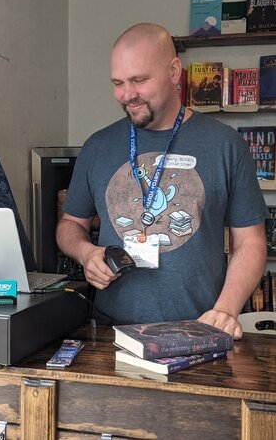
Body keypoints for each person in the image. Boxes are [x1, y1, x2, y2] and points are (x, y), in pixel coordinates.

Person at [56, 23, 268, 340]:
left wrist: (225, 311)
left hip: (199, 329)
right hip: (110, 329)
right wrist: (86, 253)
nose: (127, 95)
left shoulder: (225, 145)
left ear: (173, 71)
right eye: (118, 83)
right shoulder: (97, 147)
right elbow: (70, 224)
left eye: (139, 80)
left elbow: (250, 242)